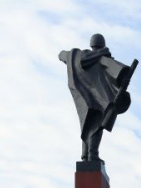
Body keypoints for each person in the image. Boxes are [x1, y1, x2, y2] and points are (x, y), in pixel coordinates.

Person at [58, 34, 136, 162]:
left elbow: (61, 55)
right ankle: (92, 155)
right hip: (99, 100)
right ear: (103, 45)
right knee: (97, 126)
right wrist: (124, 78)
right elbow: (120, 73)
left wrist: (70, 55)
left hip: (84, 100)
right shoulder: (103, 59)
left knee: (86, 127)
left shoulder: (77, 56)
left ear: (91, 45)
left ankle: (85, 156)